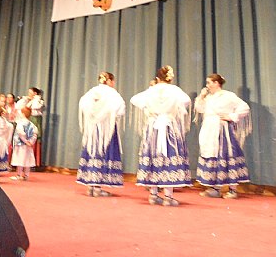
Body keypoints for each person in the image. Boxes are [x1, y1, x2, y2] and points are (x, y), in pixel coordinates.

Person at [130, 65, 192, 206]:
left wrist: (149, 108)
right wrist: (173, 109)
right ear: (170, 79)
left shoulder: (152, 90)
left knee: (154, 158)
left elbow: (135, 99)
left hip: (153, 127)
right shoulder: (175, 90)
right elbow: (186, 101)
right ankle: (168, 197)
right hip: (169, 126)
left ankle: (153, 195)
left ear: (158, 78)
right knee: (169, 157)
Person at [195, 73, 252, 199]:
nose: (207, 85)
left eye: (209, 82)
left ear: (216, 83)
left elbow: (244, 107)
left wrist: (231, 117)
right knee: (212, 156)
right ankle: (215, 188)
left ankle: (232, 189)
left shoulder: (228, 95)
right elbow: (199, 109)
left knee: (226, 155)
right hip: (209, 129)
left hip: (221, 130)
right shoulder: (208, 97)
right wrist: (201, 97)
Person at [76, 72, 126, 197]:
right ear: (109, 81)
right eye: (112, 81)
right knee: (104, 153)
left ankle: (90, 186)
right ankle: (97, 187)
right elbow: (120, 109)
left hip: (92, 129)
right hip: (106, 129)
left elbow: (83, 105)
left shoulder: (92, 92)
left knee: (93, 153)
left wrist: (93, 116)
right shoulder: (112, 93)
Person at [16, 87, 45, 167]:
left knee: (34, 137)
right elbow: (24, 108)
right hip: (29, 119)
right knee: (26, 137)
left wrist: (35, 98)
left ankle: (35, 162)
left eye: (30, 92)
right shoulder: (29, 101)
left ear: (35, 93)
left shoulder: (39, 101)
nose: (29, 94)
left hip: (35, 120)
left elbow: (35, 107)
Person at [10, 106, 38, 181]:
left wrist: (25, 141)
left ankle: (19, 175)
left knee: (20, 159)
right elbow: (34, 134)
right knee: (27, 159)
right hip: (28, 145)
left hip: (20, 144)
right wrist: (30, 142)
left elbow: (21, 133)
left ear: (23, 114)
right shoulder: (32, 125)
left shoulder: (20, 123)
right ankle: (26, 175)